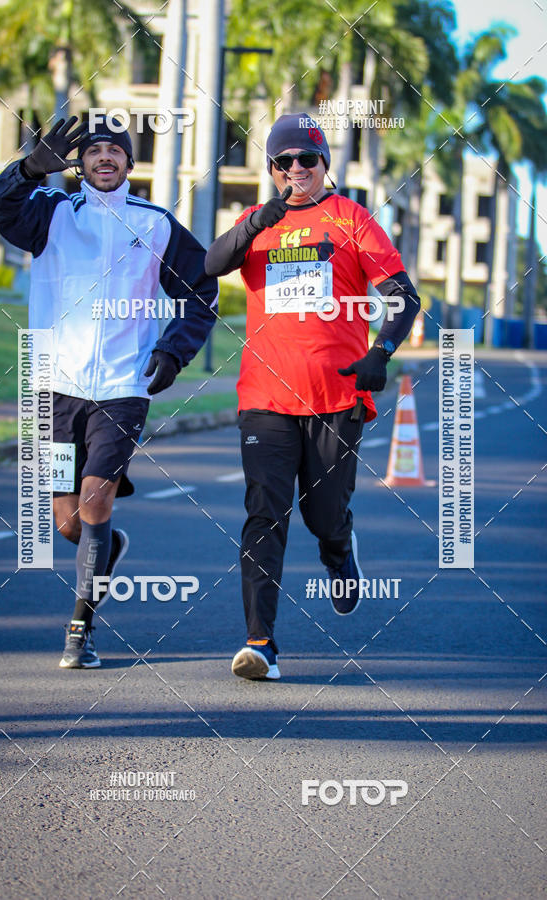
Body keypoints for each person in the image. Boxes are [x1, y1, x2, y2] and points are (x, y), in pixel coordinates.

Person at [0, 117, 218, 668]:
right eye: (94, 150)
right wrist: (27, 170)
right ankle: (107, 546)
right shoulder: (50, 214)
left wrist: (173, 351)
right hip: (54, 386)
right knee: (68, 520)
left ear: (130, 163)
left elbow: (201, 289)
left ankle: (80, 631)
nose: (105, 157)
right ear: (80, 162)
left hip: (122, 386)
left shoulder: (155, 224)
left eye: (116, 149)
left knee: (95, 499)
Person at [205, 113, 420, 681]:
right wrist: (256, 224)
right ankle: (260, 643)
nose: (296, 169)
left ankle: (339, 551)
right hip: (265, 397)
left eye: (307, 158)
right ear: (272, 168)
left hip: (335, 395)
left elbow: (404, 296)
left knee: (322, 514)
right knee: (264, 513)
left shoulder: (351, 218)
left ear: (324, 163)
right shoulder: (256, 221)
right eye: (284, 161)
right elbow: (210, 264)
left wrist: (381, 352)